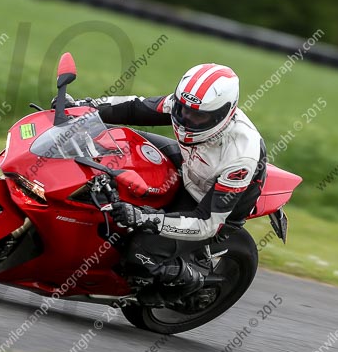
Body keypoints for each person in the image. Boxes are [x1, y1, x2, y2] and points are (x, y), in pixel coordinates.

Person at [70, 63, 267, 303]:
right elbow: (135, 107)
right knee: (112, 138)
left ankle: (188, 282)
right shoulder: (187, 105)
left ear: (222, 113)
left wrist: (144, 218)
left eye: (199, 116)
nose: (187, 118)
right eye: (184, 110)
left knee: (140, 251)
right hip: (189, 165)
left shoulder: (240, 156)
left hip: (210, 206)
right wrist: (84, 108)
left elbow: (208, 223)